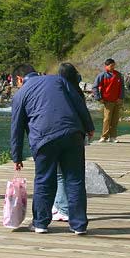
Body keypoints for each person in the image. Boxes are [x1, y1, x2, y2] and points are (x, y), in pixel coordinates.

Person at [11, 63, 95, 235]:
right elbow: (77, 101)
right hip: (72, 133)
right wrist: (89, 126)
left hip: (44, 139)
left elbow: (16, 127)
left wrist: (17, 156)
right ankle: (78, 225)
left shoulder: (20, 95)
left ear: (20, 79)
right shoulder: (58, 80)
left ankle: (40, 223)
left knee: (44, 180)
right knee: (75, 179)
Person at [52, 62, 88, 223]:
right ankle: (59, 204)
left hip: (57, 134)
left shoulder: (59, 90)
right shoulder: (77, 91)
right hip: (76, 135)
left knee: (60, 174)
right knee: (69, 174)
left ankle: (63, 208)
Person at [93, 58, 124, 143]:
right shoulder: (102, 75)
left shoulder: (119, 75)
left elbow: (122, 88)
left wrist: (121, 98)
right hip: (107, 101)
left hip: (117, 101)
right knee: (107, 119)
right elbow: (95, 87)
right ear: (106, 66)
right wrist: (99, 98)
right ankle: (104, 136)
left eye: (114, 65)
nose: (113, 67)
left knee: (115, 119)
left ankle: (113, 137)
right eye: (111, 66)